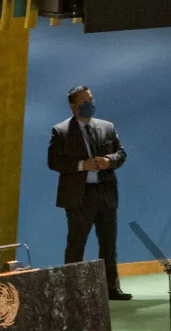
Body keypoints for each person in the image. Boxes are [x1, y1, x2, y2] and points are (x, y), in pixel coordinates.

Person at [48, 85, 131, 300]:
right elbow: (54, 162)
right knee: (76, 245)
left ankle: (111, 288)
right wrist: (81, 165)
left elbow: (121, 153)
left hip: (105, 194)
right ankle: (72, 291)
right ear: (74, 107)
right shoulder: (61, 131)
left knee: (109, 244)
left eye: (91, 99)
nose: (90, 104)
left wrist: (109, 161)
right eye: (84, 101)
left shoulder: (107, 127)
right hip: (79, 197)